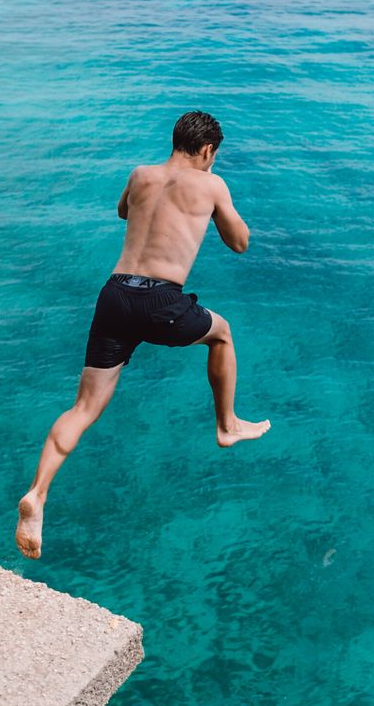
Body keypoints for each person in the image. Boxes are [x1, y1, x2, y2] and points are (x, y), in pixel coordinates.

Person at [15, 110, 271, 559]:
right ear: (209, 150)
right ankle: (227, 425)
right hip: (160, 301)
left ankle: (37, 494)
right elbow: (241, 243)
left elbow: (122, 210)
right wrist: (214, 197)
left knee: (84, 407)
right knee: (223, 334)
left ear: (175, 140)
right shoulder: (211, 183)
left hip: (115, 294)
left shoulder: (140, 175)